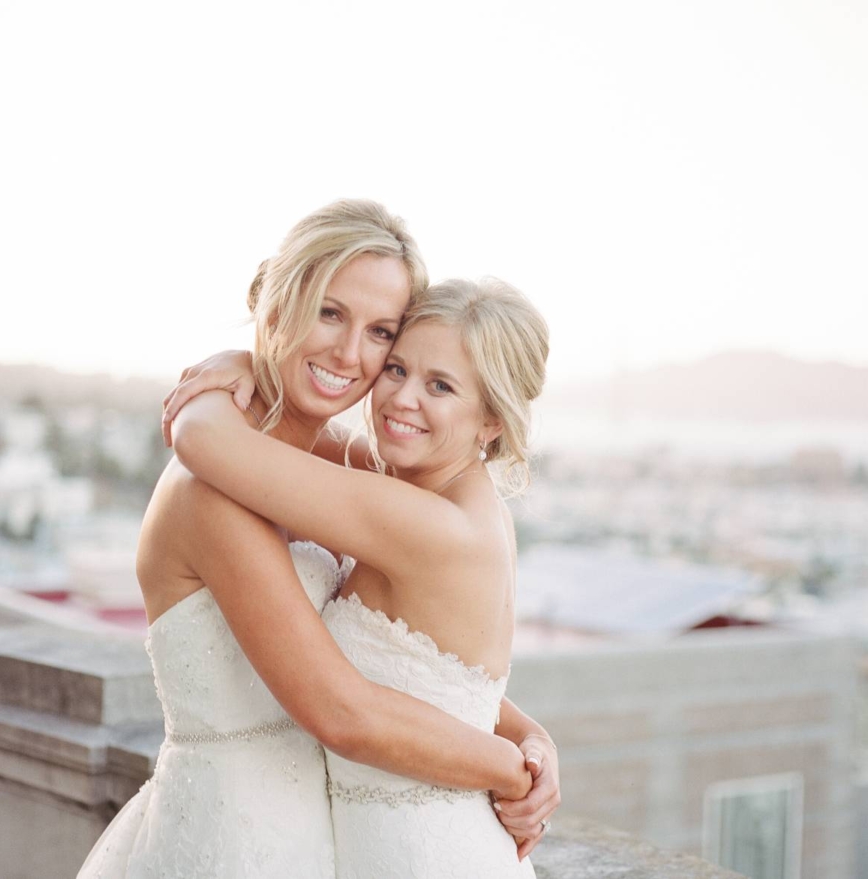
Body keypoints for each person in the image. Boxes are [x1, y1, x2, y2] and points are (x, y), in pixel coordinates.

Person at [77, 201, 557, 879]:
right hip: (237, 841)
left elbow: (417, 666)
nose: (350, 354)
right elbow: (341, 707)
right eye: (329, 312)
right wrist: (512, 762)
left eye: (379, 331)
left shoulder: (348, 471)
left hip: (336, 843)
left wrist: (526, 735)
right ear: (277, 300)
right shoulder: (210, 491)